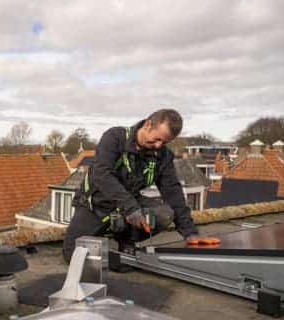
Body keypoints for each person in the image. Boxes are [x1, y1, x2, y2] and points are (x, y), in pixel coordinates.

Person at [63, 109, 204, 262]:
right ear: (148, 125)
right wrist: (130, 208)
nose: (158, 145)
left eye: (164, 142)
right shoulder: (115, 137)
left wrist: (190, 233)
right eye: (157, 139)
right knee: (73, 255)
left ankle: (126, 240)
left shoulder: (163, 156)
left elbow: (173, 192)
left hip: (129, 207)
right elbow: (102, 175)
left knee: (164, 214)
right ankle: (108, 231)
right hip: (96, 205)